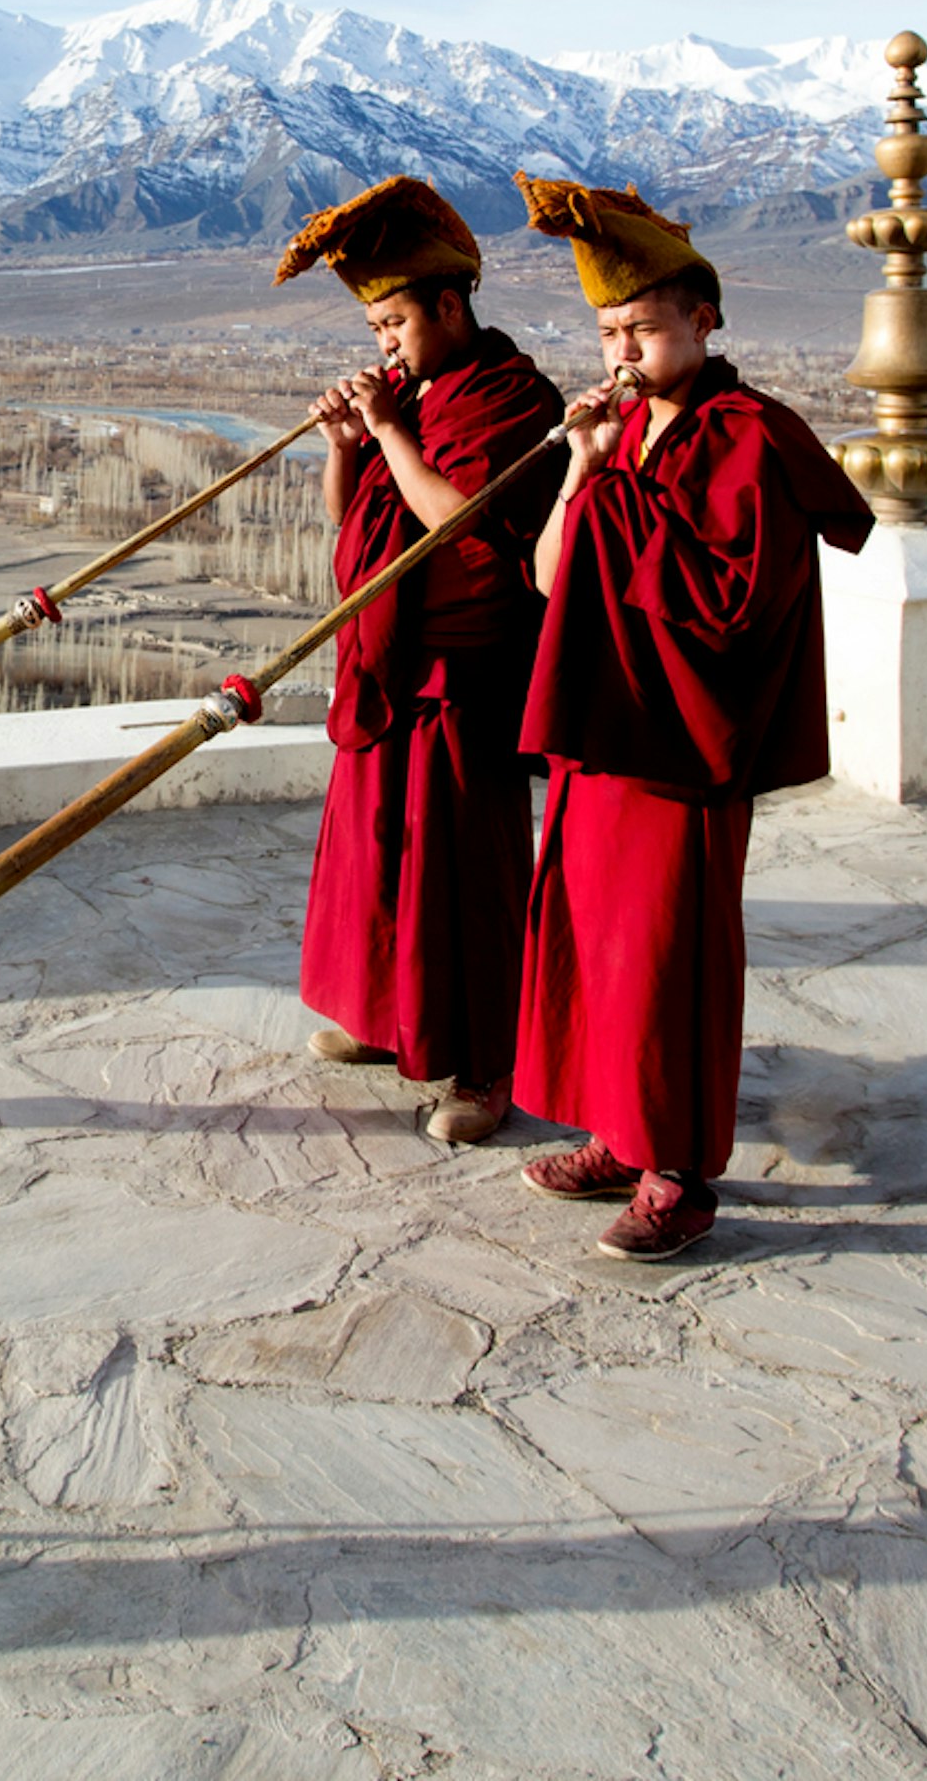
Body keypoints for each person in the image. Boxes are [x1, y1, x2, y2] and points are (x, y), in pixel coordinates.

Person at [507, 176, 873, 1258]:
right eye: (609, 333)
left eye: (646, 330)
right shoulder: (618, 440)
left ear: (703, 322)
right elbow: (549, 577)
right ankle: (617, 1135)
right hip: (602, 734)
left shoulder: (749, 437)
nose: (624, 353)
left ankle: (680, 1174)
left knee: (668, 958)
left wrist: (624, 500)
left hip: (683, 741)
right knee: (595, 946)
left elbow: (737, 604)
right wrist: (583, 471)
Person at [275, 176, 564, 1146]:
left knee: (464, 882)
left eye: (394, 320)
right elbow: (353, 522)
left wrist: (391, 431)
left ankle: (485, 1068)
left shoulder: (515, 399)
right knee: (379, 868)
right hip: (387, 670)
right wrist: (345, 444)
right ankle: (390, 1023)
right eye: (373, 330)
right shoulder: (415, 394)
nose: (385, 345)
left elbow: (463, 523)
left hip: (463, 684)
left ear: (451, 305)